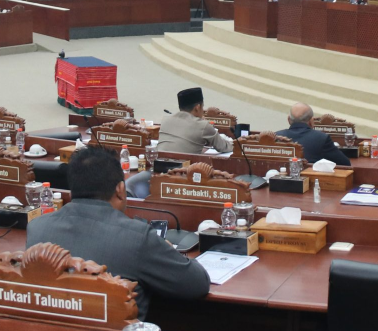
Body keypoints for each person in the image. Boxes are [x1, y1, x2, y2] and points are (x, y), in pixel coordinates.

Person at [26, 146, 210, 319]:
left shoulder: (37, 228)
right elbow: (197, 284)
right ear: (121, 190)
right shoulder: (137, 238)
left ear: (72, 190)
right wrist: (168, 251)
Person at [155, 87, 233, 155]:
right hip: (184, 167)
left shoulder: (165, 120)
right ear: (197, 107)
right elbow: (224, 147)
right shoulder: (203, 126)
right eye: (202, 107)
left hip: (158, 164)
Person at [275, 102, 350, 166]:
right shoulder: (321, 138)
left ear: (288, 119)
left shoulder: (276, 137)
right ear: (311, 121)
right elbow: (345, 163)